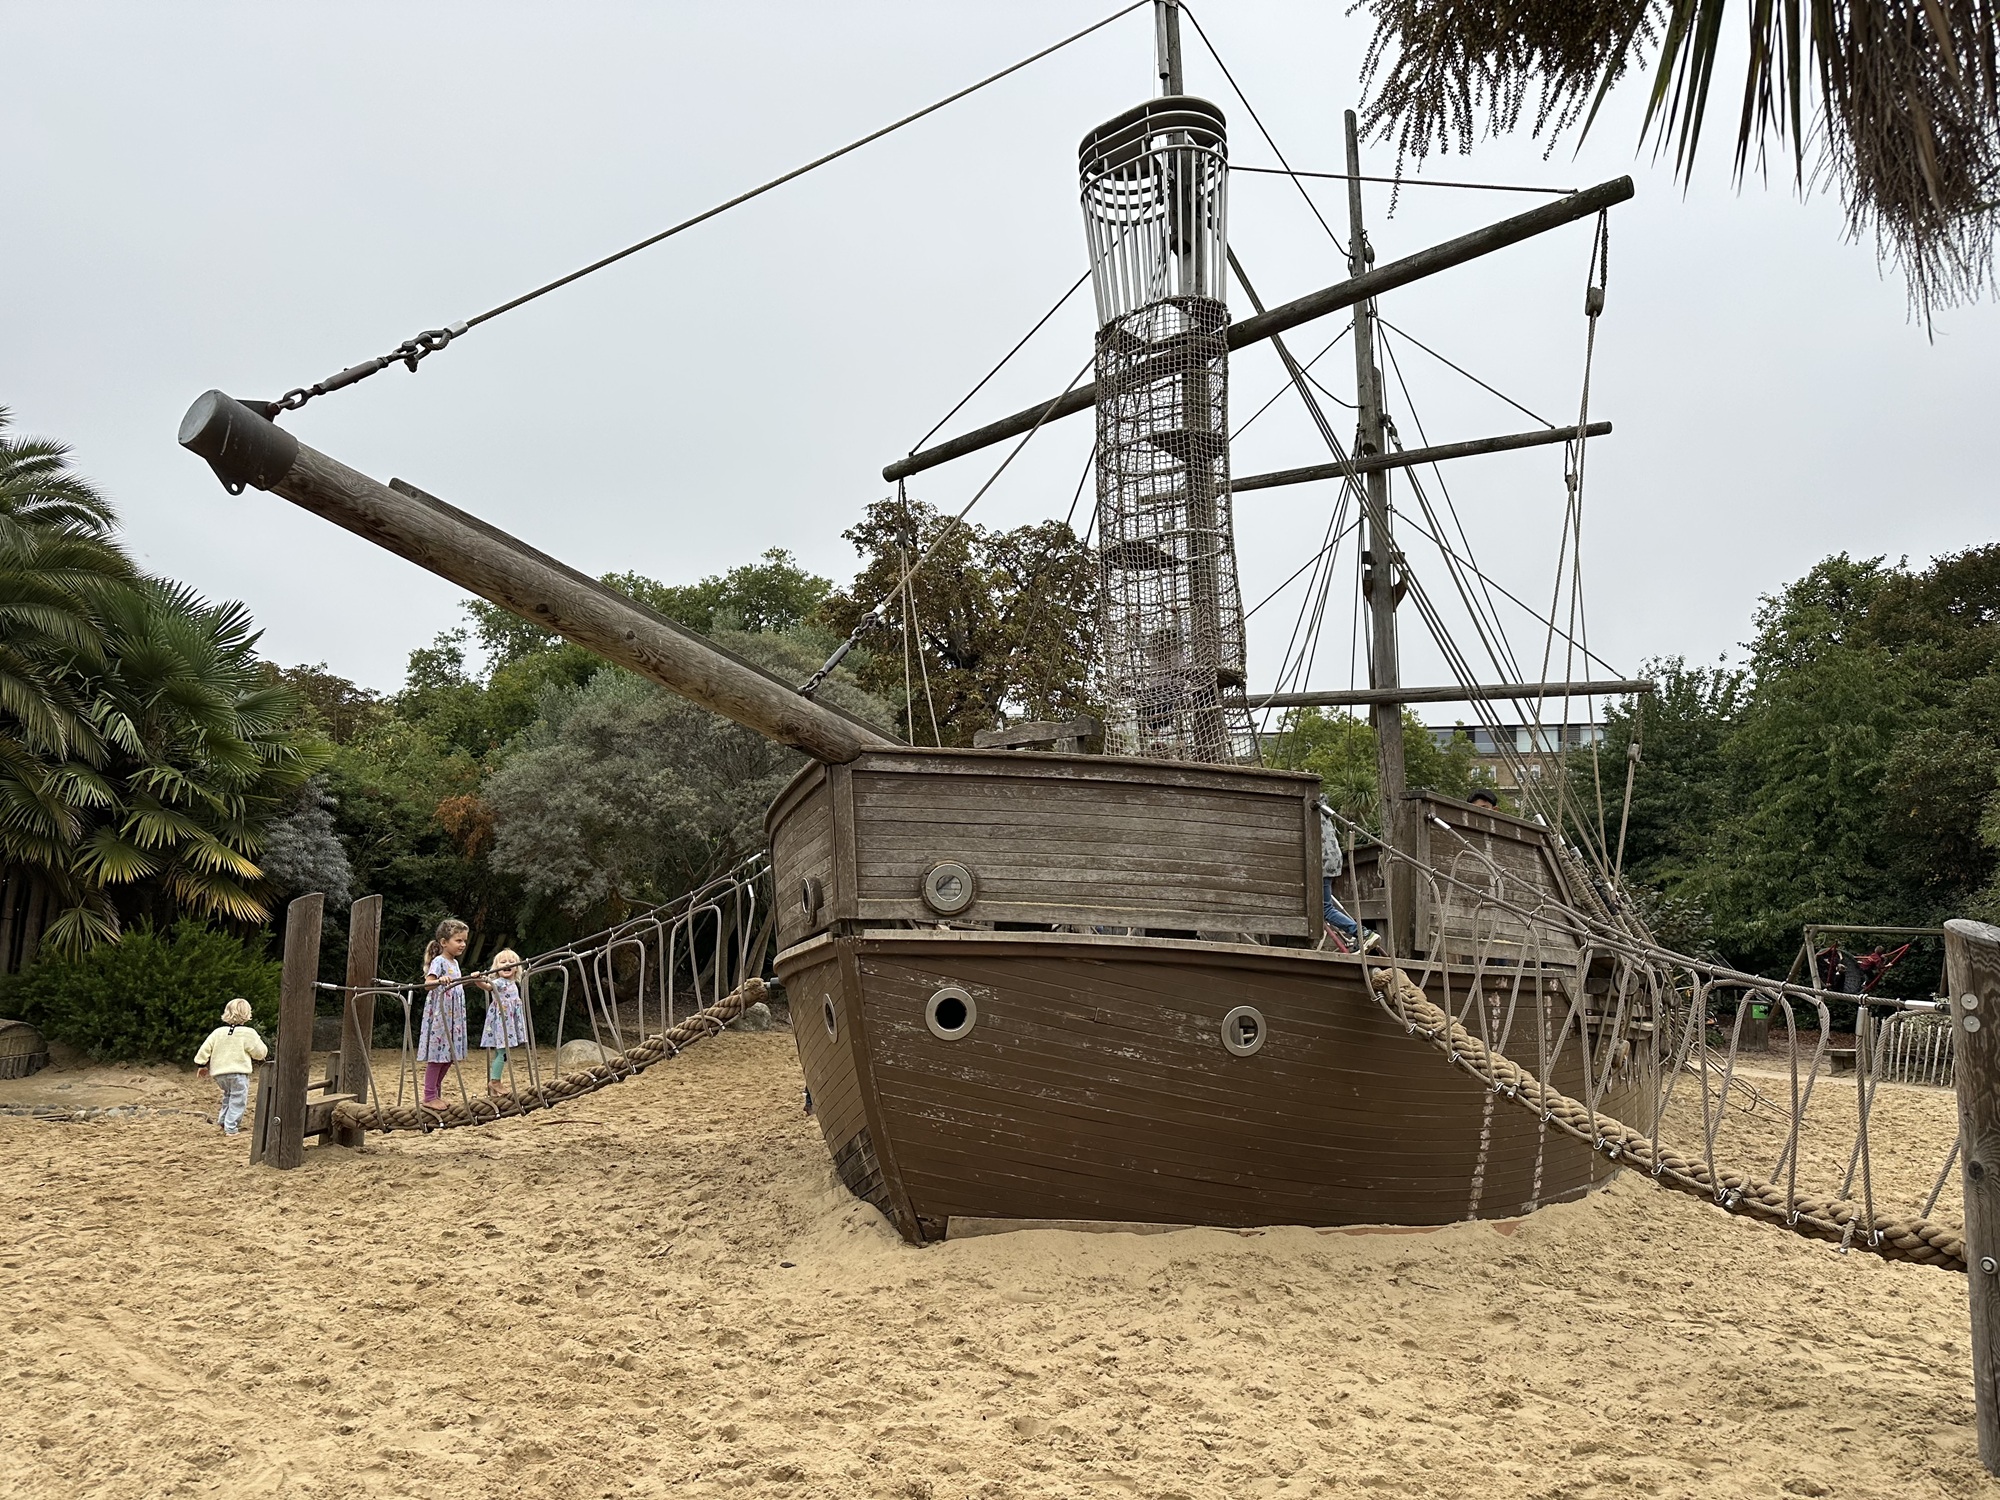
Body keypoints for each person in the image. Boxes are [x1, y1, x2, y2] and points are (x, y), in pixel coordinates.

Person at [418, 919, 487, 1109]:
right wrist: (440, 979)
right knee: (437, 1056)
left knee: (449, 1056)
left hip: (454, 1017)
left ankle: (436, 1093)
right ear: (443, 942)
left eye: (464, 940)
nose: (463, 944)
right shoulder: (439, 961)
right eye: (458, 940)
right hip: (441, 1016)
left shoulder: (454, 963)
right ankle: (429, 1096)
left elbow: (455, 985)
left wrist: (469, 979)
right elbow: (428, 984)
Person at [193, 998, 268, 1137]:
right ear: (247, 1014)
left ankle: (222, 1121)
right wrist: (262, 1056)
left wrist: (201, 1065)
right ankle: (231, 1128)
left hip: (219, 1074)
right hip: (238, 1073)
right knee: (238, 1099)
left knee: (228, 1095)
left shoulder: (218, 1032)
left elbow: (204, 1049)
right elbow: (260, 1052)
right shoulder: (248, 1033)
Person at [1317, 800, 1367, 951]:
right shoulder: (1324, 812)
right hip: (1331, 861)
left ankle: (1361, 932)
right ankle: (1360, 932)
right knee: (1325, 906)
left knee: (1325, 909)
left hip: (1322, 863)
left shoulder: (1312, 811)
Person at [480, 948, 529, 1097]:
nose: (507, 964)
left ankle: (494, 1086)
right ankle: (495, 1081)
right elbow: (488, 987)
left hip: (508, 1021)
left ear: (516, 967)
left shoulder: (512, 982)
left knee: (501, 1052)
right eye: (503, 962)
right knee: (502, 1052)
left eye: (511, 962)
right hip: (502, 1022)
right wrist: (478, 981)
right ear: (497, 968)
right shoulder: (499, 982)